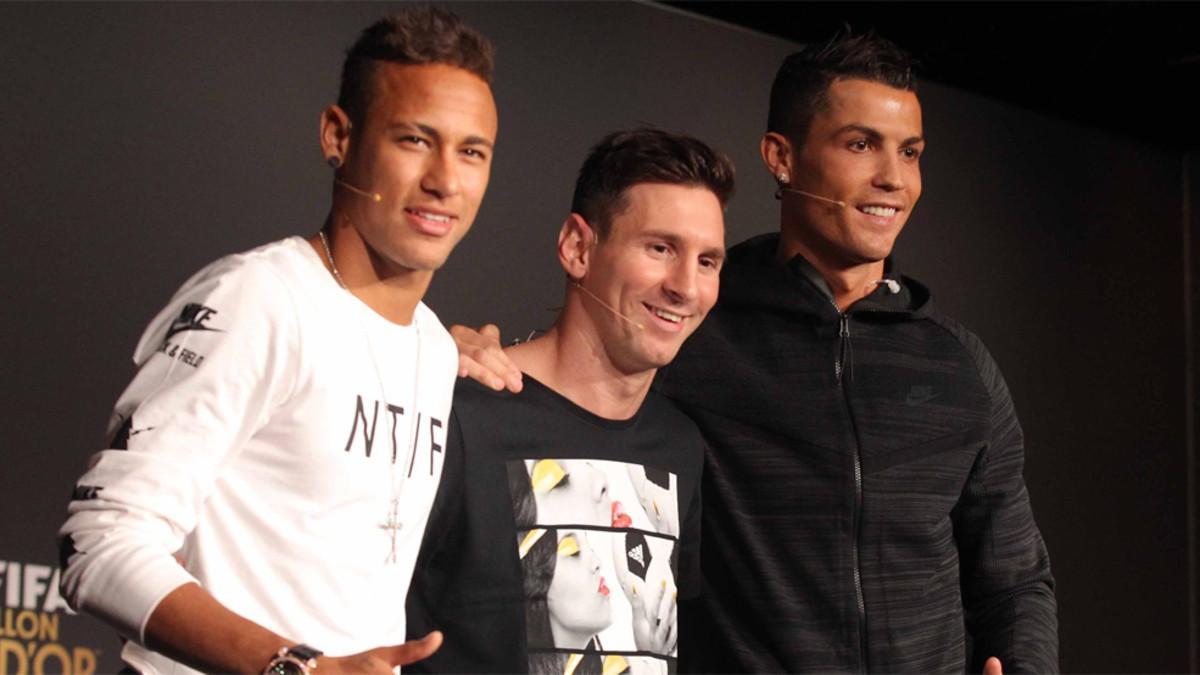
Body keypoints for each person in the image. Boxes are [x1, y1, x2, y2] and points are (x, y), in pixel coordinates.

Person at [455, 33, 1057, 674]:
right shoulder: (695, 324)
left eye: (909, 153)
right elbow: (576, 370)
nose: (893, 178)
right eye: (861, 145)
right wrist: (461, 354)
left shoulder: (959, 365)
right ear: (782, 157)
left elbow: (1016, 580)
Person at [56, 8, 498, 675]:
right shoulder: (258, 299)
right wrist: (295, 668)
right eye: (414, 139)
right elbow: (101, 538)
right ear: (337, 135)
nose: (446, 179)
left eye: (472, 151)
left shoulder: (435, 348)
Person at [404, 128, 734, 673]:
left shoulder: (680, 444)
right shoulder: (462, 414)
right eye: (660, 248)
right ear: (578, 248)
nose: (686, 287)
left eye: (707, 262)